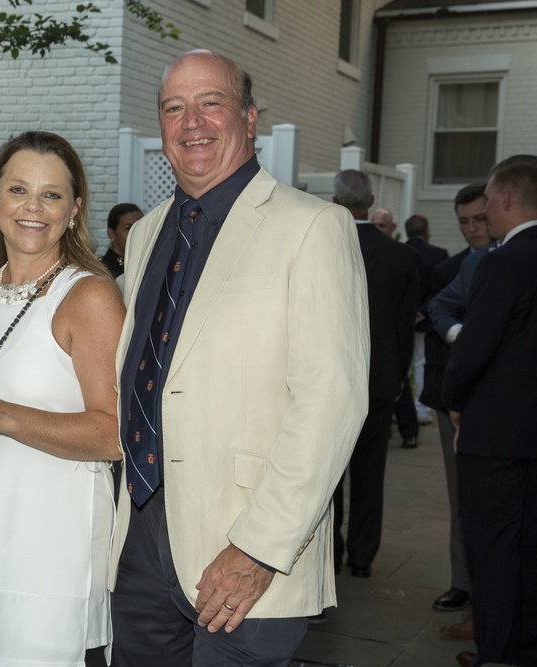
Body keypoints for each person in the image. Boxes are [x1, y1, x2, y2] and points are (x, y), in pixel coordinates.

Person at [109, 50, 370, 666]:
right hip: (140, 542)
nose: (191, 121)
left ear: (249, 119)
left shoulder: (313, 227)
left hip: (243, 550)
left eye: (211, 103)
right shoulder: (146, 234)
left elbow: (331, 403)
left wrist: (258, 549)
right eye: (174, 107)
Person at [0, 131, 125, 666]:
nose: (32, 208)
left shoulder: (89, 296)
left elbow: (115, 435)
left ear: (75, 209)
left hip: (47, 549)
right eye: (18, 190)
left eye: (52, 194)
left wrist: (3, 416)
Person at [442, 155, 537, 667]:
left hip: (496, 438)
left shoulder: (504, 262)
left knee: (495, 550)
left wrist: (455, 402)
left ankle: (498, 654)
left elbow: (473, 349)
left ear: (503, 199)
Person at [331, 169, 419, 579]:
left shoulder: (325, 245)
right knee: (370, 473)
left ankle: (328, 554)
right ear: (369, 203)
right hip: (379, 380)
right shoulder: (399, 256)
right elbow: (405, 327)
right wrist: (399, 378)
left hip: (329, 380)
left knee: (327, 476)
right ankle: (363, 556)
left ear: (335, 201)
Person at [418, 183, 492, 629]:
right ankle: (462, 581)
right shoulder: (450, 270)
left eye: (478, 219)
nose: (471, 229)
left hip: (505, 403)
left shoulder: (512, 258)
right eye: (463, 221)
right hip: (455, 401)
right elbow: (435, 323)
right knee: (460, 497)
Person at [395, 213, 449, 446]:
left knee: (404, 365)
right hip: (425, 319)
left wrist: (408, 312)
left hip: (402, 319)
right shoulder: (439, 254)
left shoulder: (398, 250)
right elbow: (441, 291)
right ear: (426, 230)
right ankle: (421, 410)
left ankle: (403, 408)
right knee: (421, 362)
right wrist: (423, 311)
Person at [101, 203, 143, 277]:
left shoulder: (146, 265)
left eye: (141, 227)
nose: (137, 233)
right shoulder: (101, 269)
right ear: (111, 234)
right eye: (129, 228)